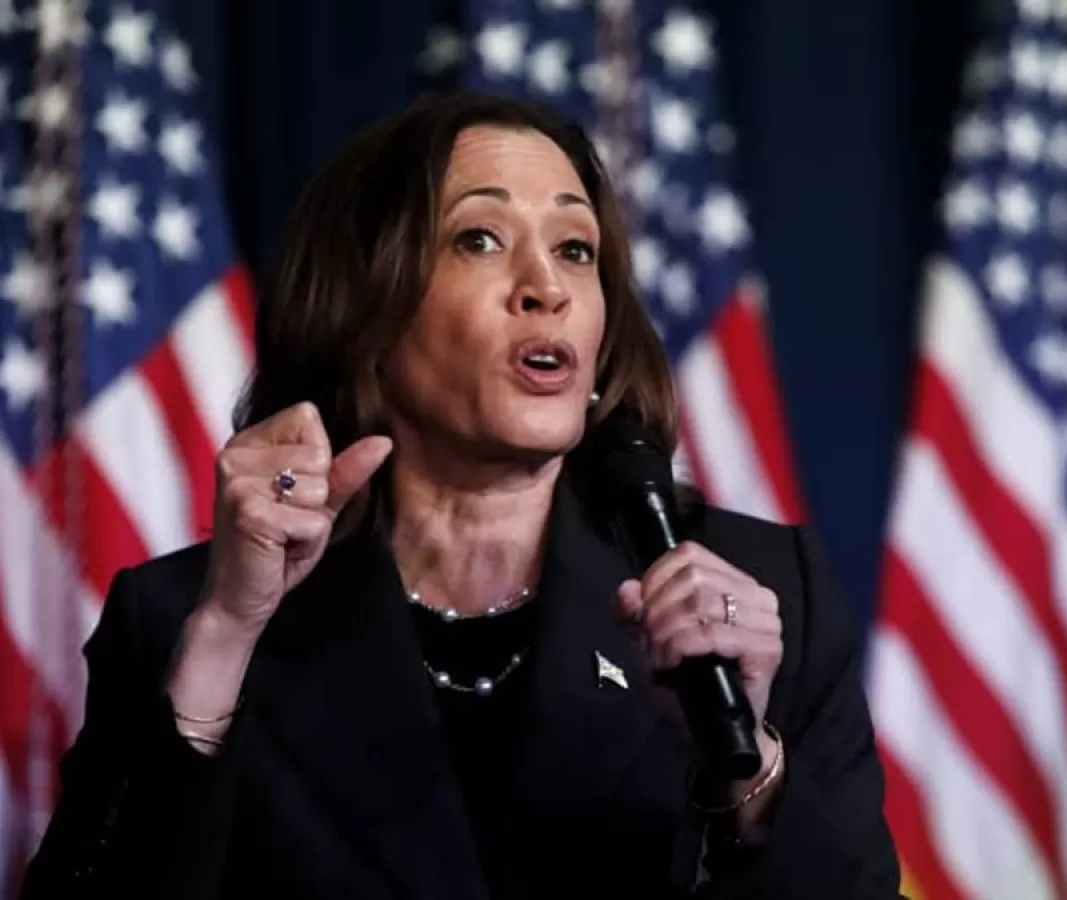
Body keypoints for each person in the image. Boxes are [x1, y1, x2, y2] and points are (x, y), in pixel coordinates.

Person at [20, 91, 899, 900]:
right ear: (364, 312)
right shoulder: (186, 618)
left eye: (575, 249)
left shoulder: (763, 597)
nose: (547, 288)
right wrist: (222, 641)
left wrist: (750, 770)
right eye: (479, 239)